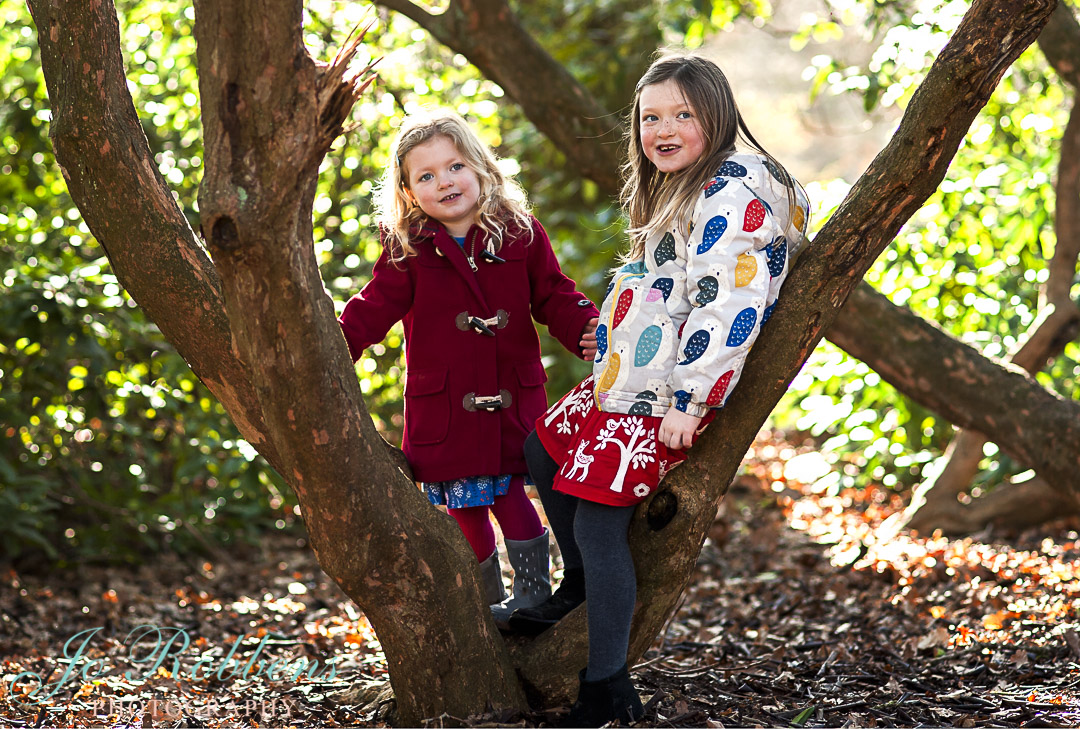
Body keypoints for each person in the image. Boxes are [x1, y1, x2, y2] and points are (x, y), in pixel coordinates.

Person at [507, 53, 810, 726]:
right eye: (651, 117)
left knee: (597, 520)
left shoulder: (731, 193)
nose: (663, 128)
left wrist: (691, 401)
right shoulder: (679, 186)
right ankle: (582, 583)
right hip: (630, 377)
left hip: (667, 393)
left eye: (683, 115)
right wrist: (608, 337)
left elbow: (725, 304)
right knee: (542, 448)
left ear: (718, 117)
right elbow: (659, 289)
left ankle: (607, 683)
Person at [338, 110, 599, 628]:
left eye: (454, 166)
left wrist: (586, 328)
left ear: (480, 166)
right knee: (465, 510)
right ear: (410, 193)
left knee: (510, 497)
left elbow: (554, 294)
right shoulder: (408, 248)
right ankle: (482, 604)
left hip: (510, 399)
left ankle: (531, 596)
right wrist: (336, 346)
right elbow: (374, 307)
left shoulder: (520, 234)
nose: (444, 182)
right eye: (426, 176)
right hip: (448, 408)